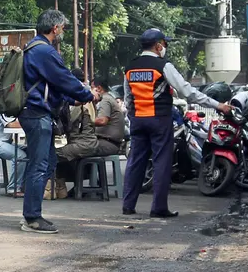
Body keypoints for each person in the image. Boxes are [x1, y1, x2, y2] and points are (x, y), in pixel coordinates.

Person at [121, 29, 231, 218]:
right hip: (159, 120)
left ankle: (128, 205)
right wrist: (217, 105)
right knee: (161, 163)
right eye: (164, 44)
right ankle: (158, 208)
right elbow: (188, 92)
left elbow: (128, 98)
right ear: (158, 45)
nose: (165, 48)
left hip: (138, 120)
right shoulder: (163, 65)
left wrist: (134, 117)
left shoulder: (130, 67)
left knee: (135, 162)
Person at [18, 9, 94, 234]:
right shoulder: (44, 51)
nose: (63, 31)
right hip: (36, 113)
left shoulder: (33, 48)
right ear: (55, 28)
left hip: (36, 113)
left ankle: (32, 212)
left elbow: (53, 86)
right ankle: (31, 218)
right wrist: (86, 95)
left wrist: (73, 99)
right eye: (62, 27)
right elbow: (64, 79)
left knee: (47, 163)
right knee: (40, 165)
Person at [54, 71, 123, 195]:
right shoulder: (98, 100)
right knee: (71, 153)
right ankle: (77, 187)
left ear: (99, 88)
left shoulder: (103, 100)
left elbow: (102, 121)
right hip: (97, 141)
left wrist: (88, 121)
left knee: (57, 155)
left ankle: (62, 187)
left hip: (102, 142)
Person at [0, 110, 26, 197]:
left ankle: (24, 184)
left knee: (30, 150)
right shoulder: (0, 107)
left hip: (5, 142)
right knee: (21, 156)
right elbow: (11, 124)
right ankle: (13, 188)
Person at [90, 78, 128, 151]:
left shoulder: (105, 100)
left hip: (107, 143)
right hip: (109, 142)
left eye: (92, 88)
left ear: (99, 88)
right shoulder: (109, 98)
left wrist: (85, 121)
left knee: (75, 149)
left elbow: (102, 121)